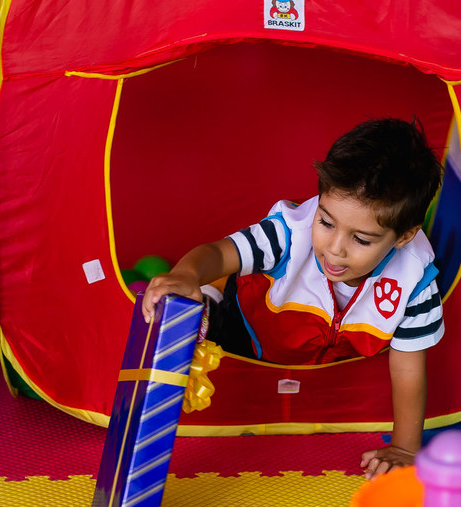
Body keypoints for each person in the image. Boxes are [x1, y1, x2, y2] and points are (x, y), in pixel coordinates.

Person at [142, 117, 444, 479]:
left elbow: (408, 365)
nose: (334, 250)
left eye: (361, 240)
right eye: (326, 222)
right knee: (204, 322)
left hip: (328, 362)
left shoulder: (415, 279)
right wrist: (185, 275)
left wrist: (404, 447)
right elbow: (219, 254)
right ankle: (211, 295)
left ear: (403, 237)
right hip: (248, 331)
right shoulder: (290, 233)